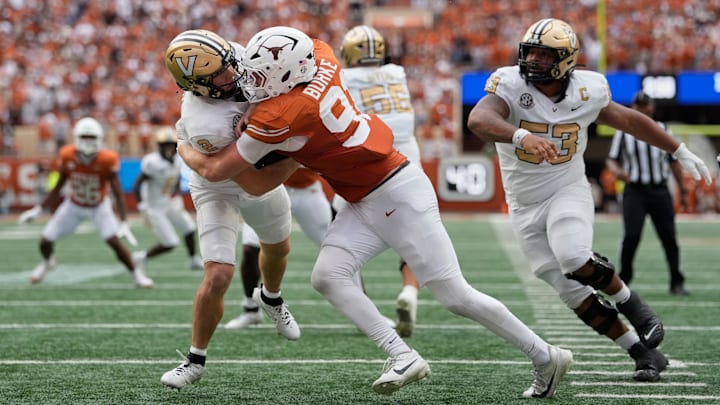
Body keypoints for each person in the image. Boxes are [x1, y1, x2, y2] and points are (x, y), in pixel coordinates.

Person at [178, 25, 573, 398]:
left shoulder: (279, 115)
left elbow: (236, 176)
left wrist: (183, 144)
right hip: (366, 194)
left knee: (455, 295)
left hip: (395, 193)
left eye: (262, 77)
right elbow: (310, 49)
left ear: (287, 78)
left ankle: (545, 356)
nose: (253, 83)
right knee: (328, 276)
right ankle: (403, 355)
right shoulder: (322, 57)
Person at [467, 18, 711, 382]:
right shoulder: (511, 84)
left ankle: (634, 305)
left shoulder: (588, 89)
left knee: (573, 255)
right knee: (571, 292)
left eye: (543, 54)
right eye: (529, 51)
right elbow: (479, 118)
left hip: (566, 189)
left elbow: (628, 120)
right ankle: (643, 353)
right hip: (523, 203)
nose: (532, 60)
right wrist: (520, 135)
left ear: (565, 60)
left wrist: (677, 149)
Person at [160, 29, 302, 390]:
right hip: (220, 183)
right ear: (198, 85)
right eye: (219, 74)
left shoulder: (238, 56)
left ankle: (271, 298)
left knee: (279, 247)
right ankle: (194, 360)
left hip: (251, 166)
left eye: (228, 63)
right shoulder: (203, 121)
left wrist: (254, 108)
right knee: (219, 274)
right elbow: (242, 178)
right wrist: (298, 157)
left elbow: (276, 84)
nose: (232, 72)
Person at [337, 25, 421, 338]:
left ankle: (361, 305)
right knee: (414, 231)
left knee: (341, 231)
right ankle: (410, 292)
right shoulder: (396, 73)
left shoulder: (345, 77)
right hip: (410, 153)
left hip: (371, 153)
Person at [18, 117, 153, 288]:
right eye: (84, 137)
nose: (88, 142)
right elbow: (59, 185)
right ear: (76, 137)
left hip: (99, 206)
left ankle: (136, 274)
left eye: (91, 137)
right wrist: (38, 209)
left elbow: (118, 193)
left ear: (99, 139)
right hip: (74, 205)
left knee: (114, 242)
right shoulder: (67, 155)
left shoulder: (107, 159)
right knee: (45, 241)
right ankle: (48, 263)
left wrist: (124, 221)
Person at [225, 167, 333, 329]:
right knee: (250, 249)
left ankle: (363, 308)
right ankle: (250, 309)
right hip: (269, 188)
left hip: (306, 189)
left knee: (337, 248)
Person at [605, 91, 690, 296]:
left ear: (652, 108)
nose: (642, 109)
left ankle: (676, 281)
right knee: (632, 235)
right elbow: (612, 159)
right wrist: (618, 172)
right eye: (638, 106)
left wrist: (684, 190)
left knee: (669, 237)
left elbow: (673, 162)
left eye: (645, 106)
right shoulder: (623, 132)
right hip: (635, 190)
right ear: (634, 108)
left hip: (659, 190)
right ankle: (624, 280)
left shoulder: (662, 129)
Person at [131, 126, 203, 272]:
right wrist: (141, 206)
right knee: (170, 242)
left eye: (172, 145)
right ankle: (141, 257)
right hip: (154, 208)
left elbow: (175, 179)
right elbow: (136, 185)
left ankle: (193, 259)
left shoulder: (178, 160)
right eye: (166, 145)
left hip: (168, 203)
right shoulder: (152, 162)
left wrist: (176, 195)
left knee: (189, 228)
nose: (169, 149)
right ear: (160, 147)